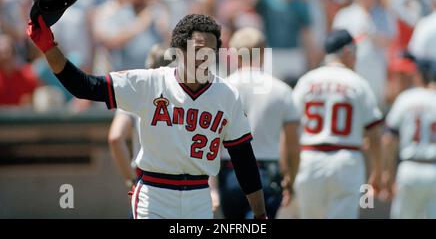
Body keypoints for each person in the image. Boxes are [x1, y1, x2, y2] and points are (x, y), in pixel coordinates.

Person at [26, 13, 267, 219]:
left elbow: (243, 158)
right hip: (155, 194)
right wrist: (49, 48)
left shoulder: (227, 95)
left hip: (199, 195)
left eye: (211, 51)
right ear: (179, 51)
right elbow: (84, 86)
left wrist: (259, 214)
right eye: (198, 50)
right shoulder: (149, 82)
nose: (205, 57)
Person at [292, 29, 383, 219]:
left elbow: (291, 127)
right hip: (346, 160)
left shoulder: (307, 80)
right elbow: (374, 132)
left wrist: (288, 168)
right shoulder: (358, 83)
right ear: (347, 51)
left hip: (310, 159)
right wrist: (377, 170)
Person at [215, 27, 300, 219]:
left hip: (229, 170)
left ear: (234, 53)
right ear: (263, 52)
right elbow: (292, 144)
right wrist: (291, 180)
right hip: (266, 171)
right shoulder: (281, 90)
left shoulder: (220, 88)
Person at [108, 45, 172, 197]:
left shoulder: (135, 93)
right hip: (184, 177)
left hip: (147, 176)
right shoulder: (187, 97)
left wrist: (131, 179)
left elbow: (115, 137)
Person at [332, 0, 395, 107]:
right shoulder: (345, 15)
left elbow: (389, 40)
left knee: (375, 107)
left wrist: (371, 34)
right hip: (351, 69)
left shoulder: (384, 15)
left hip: (376, 70)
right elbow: (336, 45)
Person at [383, 59, 436, 219]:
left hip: (409, 168)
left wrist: (388, 173)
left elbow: (389, 139)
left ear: (418, 76)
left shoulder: (406, 98)